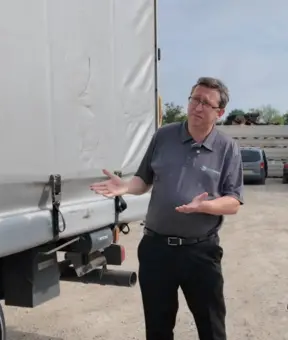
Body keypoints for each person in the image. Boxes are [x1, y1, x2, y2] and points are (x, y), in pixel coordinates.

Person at [90, 77, 243, 340]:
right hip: (156, 250)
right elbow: (143, 181)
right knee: (158, 328)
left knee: (212, 327)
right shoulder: (164, 136)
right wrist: (125, 186)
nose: (197, 106)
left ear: (220, 113)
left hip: (200, 252)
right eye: (195, 98)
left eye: (206, 103)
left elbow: (233, 201)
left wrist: (205, 206)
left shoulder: (227, 148)